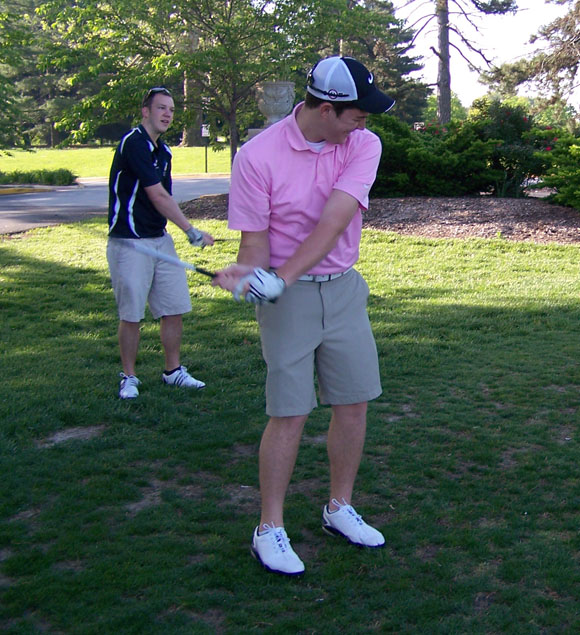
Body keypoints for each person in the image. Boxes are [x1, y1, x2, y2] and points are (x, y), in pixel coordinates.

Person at [212, 56, 395, 575]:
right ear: (327, 109)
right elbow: (254, 242)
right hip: (288, 303)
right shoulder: (257, 156)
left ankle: (339, 507)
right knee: (289, 412)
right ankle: (269, 527)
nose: (366, 121)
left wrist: (280, 275)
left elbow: (335, 220)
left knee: (354, 402)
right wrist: (248, 276)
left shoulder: (363, 144)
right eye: (358, 113)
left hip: (341, 288)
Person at [107, 87, 214, 400]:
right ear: (145, 111)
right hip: (129, 242)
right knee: (131, 314)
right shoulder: (134, 143)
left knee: (174, 308)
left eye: (170, 109)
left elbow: (162, 199)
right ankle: (128, 377)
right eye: (161, 108)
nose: (167, 114)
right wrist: (190, 230)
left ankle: (173, 371)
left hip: (159, 239)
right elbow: (157, 194)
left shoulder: (163, 152)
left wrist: (177, 230)